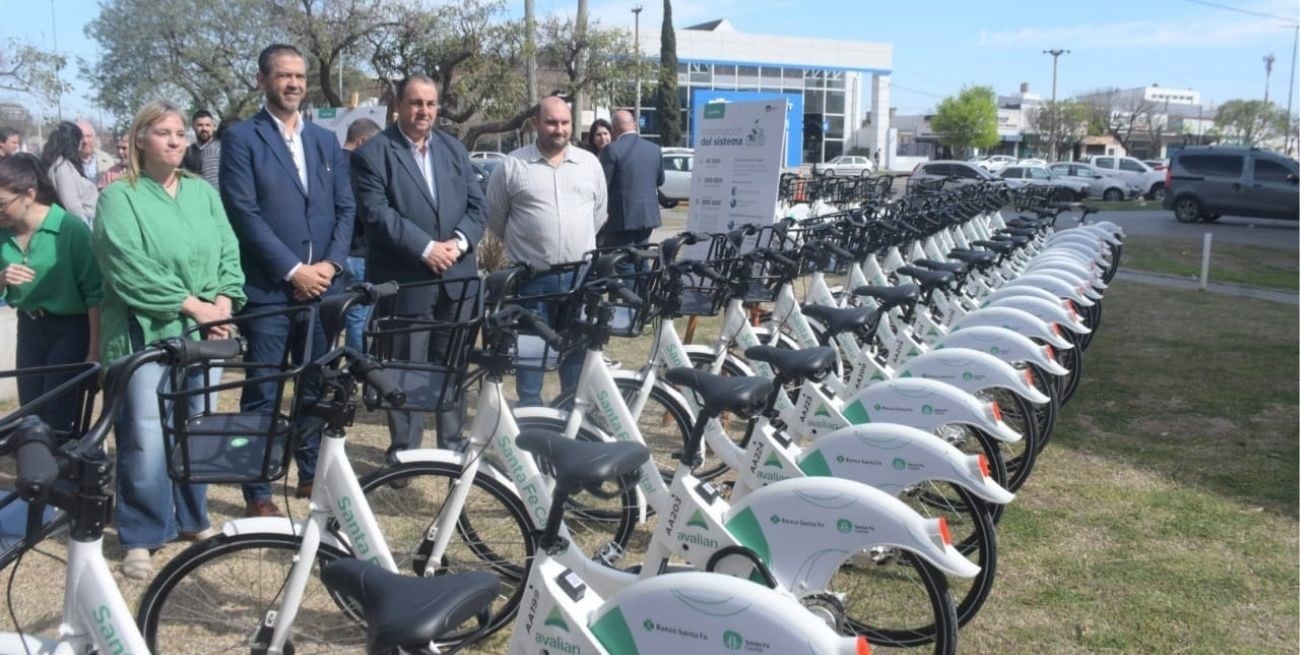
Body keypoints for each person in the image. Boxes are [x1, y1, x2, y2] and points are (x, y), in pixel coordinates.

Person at [93, 100, 246, 579]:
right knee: (145, 435)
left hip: (204, 333)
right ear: (141, 139)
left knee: (195, 425)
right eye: (164, 133)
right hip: (145, 334)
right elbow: (126, 267)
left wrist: (223, 300)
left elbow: (228, 247)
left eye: (181, 133)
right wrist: (193, 306)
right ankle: (142, 533)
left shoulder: (202, 192)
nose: (177, 141)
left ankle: (193, 518)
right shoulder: (119, 198)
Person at [220, 43, 355, 515]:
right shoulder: (241, 140)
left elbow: (345, 208)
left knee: (315, 384)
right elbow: (244, 213)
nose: (294, 83)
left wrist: (332, 266)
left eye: (299, 75)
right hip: (270, 292)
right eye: (283, 75)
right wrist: (294, 270)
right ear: (262, 81)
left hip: (323, 291)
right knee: (263, 389)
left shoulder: (324, 140)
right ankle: (257, 487)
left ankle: (310, 470)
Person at [352, 77, 484, 456]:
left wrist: (457, 245)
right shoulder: (373, 153)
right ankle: (407, 451)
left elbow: (478, 206)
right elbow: (377, 215)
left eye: (430, 103)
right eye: (415, 103)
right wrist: (426, 249)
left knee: (452, 367)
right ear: (397, 103)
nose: (423, 111)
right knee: (406, 369)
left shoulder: (454, 149)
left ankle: (451, 446)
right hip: (407, 282)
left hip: (457, 282)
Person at [486, 96, 606, 406]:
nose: (559, 129)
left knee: (577, 351)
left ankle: (571, 412)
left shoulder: (589, 163)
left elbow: (599, 214)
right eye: (552, 122)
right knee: (531, 353)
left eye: (565, 122)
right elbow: (496, 218)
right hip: (532, 280)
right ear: (536, 123)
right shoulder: (512, 166)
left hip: (579, 277)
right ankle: (530, 414)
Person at [0, 153, 102, 436]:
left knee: (57, 414)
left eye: (2, 204)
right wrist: (2, 278)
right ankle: (40, 474)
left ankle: (61, 473)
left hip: (69, 328)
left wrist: (94, 352)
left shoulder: (70, 229)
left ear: (29, 195)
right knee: (30, 412)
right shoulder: (2, 233)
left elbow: (95, 294)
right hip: (30, 328)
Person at [341, 117, 381, 353]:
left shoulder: (328, 162)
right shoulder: (360, 167)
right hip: (358, 252)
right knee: (359, 316)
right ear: (362, 141)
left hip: (332, 256)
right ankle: (359, 367)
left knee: (334, 316)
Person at [598, 109, 664, 249]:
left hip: (622, 218)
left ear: (614, 129)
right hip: (647, 215)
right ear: (634, 125)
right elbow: (660, 181)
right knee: (642, 257)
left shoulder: (611, 150)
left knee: (623, 263)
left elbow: (602, 184)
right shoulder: (654, 149)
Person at [40, 122, 98, 223]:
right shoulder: (63, 167)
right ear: (74, 141)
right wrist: (84, 229)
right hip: (81, 221)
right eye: (81, 139)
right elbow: (72, 206)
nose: (83, 143)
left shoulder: (58, 164)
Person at [183, 110, 221, 188]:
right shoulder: (187, 153)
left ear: (213, 126)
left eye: (207, 125)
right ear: (193, 127)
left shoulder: (222, 148)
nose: (204, 128)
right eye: (200, 125)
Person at [75, 119, 114, 188]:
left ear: (94, 138)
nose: (85, 141)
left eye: (88, 136)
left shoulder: (108, 160)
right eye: (81, 137)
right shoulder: (67, 163)